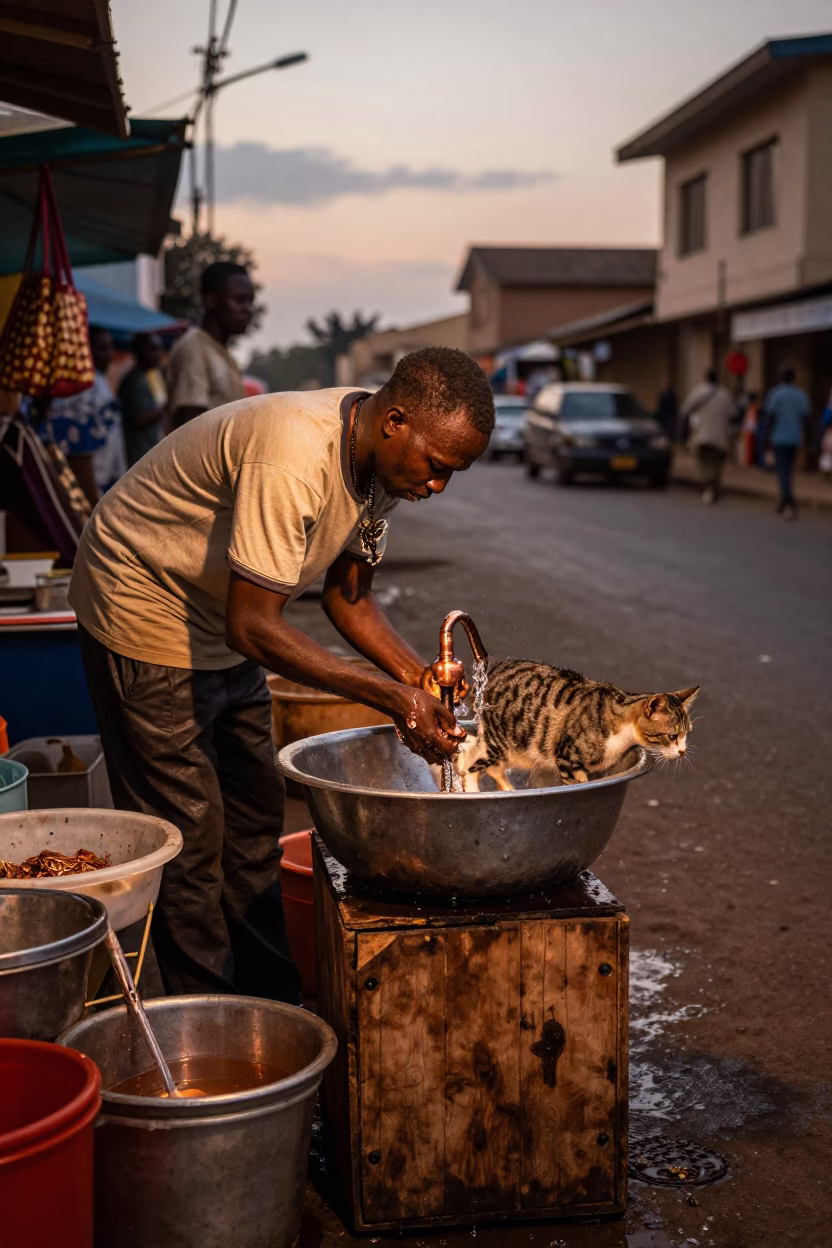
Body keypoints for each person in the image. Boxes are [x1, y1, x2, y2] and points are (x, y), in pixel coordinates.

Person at [68, 347, 494, 1001]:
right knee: (189, 836)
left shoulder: (384, 468)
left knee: (253, 817)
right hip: (143, 599)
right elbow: (255, 628)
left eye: (453, 473)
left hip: (222, 610)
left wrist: (420, 678)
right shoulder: (296, 454)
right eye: (438, 466)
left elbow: (348, 598)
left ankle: (270, 1001)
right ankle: (209, 1022)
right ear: (396, 421)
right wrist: (389, 696)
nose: (438, 486)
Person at [165, 261, 252, 430]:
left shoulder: (221, 353)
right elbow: (192, 430)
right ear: (212, 300)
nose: (248, 309)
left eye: (250, 301)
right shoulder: (193, 349)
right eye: (239, 300)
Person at [48, 325, 126, 504]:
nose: (109, 354)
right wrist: (93, 506)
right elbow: (80, 454)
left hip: (106, 487)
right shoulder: (85, 387)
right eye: (102, 348)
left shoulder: (99, 382)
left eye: (110, 347)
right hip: (94, 492)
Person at [681, 367, 736, 504]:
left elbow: (685, 409)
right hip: (719, 437)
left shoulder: (698, 392)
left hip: (702, 435)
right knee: (716, 465)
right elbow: (733, 414)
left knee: (704, 464)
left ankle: (708, 487)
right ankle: (713, 488)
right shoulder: (725, 395)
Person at [762, 366, 811, 519]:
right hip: (795, 438)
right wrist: (808, 439)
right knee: (788, 469)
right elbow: (806, 419)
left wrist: (765, 438)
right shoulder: (801, 395)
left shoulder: (775, 394)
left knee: (782, 470)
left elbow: (769, 417)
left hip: (779, 438)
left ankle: (789, 500)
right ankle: (784, 500)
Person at [118, 333, 167, 467]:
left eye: (159, 349)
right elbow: (139, 419)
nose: (158, 354)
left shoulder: (153, 376)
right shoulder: (134, 380)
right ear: (139, 352)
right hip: (139, 456)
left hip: (154, 451)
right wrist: (165, 408)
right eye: (152, 349)